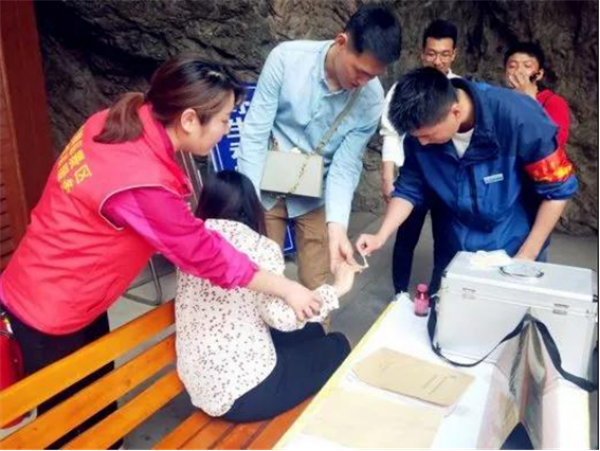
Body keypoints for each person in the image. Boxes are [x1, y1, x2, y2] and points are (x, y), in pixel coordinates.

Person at [0, 55, 320, 446]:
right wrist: (286, 287)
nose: (226, 129)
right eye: (223, 120)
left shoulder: (111, 121)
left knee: (97, 398)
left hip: (67, 286)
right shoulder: (139, 181)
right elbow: (205, 254)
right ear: (189, 119)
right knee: (65, 421)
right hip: (49, 306)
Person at [357, 67, 578, 293]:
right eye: (417, 137)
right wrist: (380, 235)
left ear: (455, 112)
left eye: (428, 135)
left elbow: (558, 190)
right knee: (447, 308)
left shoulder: (518, 117)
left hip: (514, 246)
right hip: (455, 247)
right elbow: (408, 189)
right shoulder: (420, 132)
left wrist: (526, 256)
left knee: (507, 311)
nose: (422, 143)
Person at [238, 5, 402, 293]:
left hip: (316, 193)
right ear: (341, 42)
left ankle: (317, 324)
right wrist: (248, 204)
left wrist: (337, 227)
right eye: (360, 71)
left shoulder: (372, 98)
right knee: (262, 277)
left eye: (372, 76)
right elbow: (254, 134)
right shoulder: (286, 60)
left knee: (317, 283)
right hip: (265, 184)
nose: (362, 83)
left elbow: (345, 165)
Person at [176, 170, 356, 422]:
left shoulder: (191, 241)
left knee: (313, 331)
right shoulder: (260, 247)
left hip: (200, 384)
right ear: (252, 206)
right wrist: (337, 289)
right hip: (246, 393)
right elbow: (281, 318)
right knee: (338, 344)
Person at [380, 19, 459, 294]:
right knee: (405, 238)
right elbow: (391, 133)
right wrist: (387, 177)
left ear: (454, 54)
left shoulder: (459, 90)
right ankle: (399, 294)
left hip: (446, 182)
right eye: (431, 53)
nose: (437, 61)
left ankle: (438, 295)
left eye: (444, 54)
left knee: (445, 241)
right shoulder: (404, 88)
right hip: (413, 178)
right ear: (422, 53)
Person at [504, 41, 570, 148]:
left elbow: (554, 144)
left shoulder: (552, 101)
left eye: (527, 66)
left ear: (539, 74)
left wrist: (530, 102)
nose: (519, 71)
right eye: (512, 66)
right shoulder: (497, 103)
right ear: (505, 73)